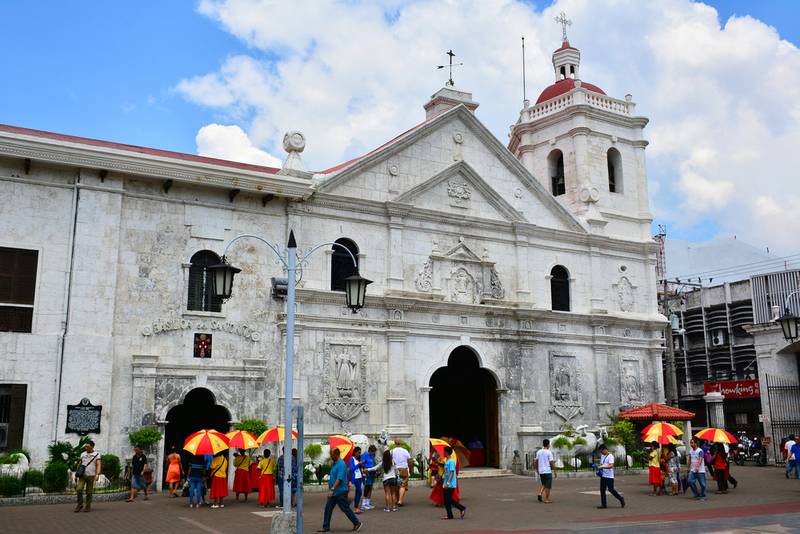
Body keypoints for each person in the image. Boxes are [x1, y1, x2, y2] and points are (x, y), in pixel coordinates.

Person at [317, 446, 362, 532]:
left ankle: (357, 522)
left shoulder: (341, 464)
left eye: (331, 454)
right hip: (335, 492)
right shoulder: (336, 463)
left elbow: (339, 478)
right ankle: (326, 527)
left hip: (339, 491)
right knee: (328, 509)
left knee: (345, 508)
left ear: (336, 454)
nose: (330, 456)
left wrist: (332, 489)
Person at [75, 440, 101, 513]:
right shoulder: (83, 454)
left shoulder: (96, 454)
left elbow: (99, 464)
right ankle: (80, 504)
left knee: (89, 492)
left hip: (91, 475)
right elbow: (80, 464)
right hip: (82, 475)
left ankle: (88, 506)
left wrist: (97, 474)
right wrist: (76, 475)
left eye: (88, 447)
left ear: (92, 447)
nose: (86, 448)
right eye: (86, 446)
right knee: (79, 489)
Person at [595, 444, 625, 509]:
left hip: (609, 476)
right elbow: (603, 464)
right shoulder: (603, 456)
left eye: (602, 451)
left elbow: (611, 465)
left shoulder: (610, 456)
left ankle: (620, 498)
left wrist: (603, 467)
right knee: (602, 490)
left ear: (605, 449)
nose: (601, 453)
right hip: (603, 475)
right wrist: (599, 465)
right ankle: (604, 504)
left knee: (611, 489)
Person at [441, 446, 466, 520]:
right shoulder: (447, 461)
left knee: (448, 498)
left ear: (447, 452)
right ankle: (450, 515)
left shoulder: (451, 461)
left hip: (450, 483)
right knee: (446, 500)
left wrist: (448, 483)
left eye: (444, 451)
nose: (443, 453)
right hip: (446, 482)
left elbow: (452, 472)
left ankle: (461, 508)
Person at [391, 438, 413, 506]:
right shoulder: (405, 451)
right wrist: (411, 468)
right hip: (403, 468)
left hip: (395, 469)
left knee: (396, 485)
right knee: (403, 484)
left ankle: (397, 499)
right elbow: (409, 461)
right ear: (401, 443)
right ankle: (400, 500)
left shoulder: (391, 451)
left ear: (395, 443)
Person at [535, 438, 556, 504]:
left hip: (541, 471)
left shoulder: (539, 452)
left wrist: (537, 469)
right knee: (548, 486)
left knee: (543, 483)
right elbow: (552, 462)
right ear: (548, 445)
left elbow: (537, 461)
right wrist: (555, 470)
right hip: (547, 471)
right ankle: (546, 499)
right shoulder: (549, 453)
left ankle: (540, 493)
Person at [349, 446, 365, 514]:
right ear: (355, 452)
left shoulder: (358, 459)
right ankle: (355, 508)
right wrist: (359, 464)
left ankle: (356, 507)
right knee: (359, 492)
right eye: (358, 453)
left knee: (357, 492)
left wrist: (361, 465)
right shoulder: (351, 459)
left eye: (360, 453)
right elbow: (351, 469)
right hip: (355, 477)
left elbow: (359, 468)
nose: (359, 454)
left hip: (359, 476)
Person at [361, 445, 376, 510]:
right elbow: (361, 465)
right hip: (366, 472)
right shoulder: (365, 455)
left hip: (371, 472)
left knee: (371, 487)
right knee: (367, 487)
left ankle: (368, 502)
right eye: (373, 452)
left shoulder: (372, 456)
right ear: (370, 451)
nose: (374, 453)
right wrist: (363, 473)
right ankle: (363, 503)